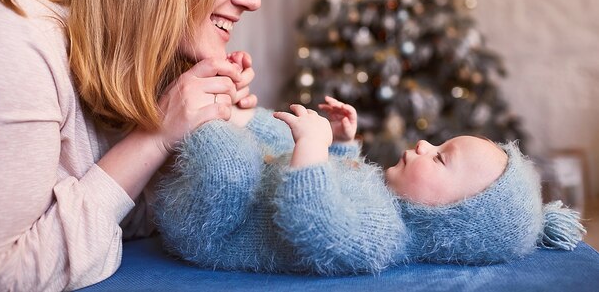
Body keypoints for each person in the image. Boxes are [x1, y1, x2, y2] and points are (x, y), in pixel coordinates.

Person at [0, 0, 265, 290]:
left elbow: (137, 222)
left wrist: (205, 134)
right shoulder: (10, 32)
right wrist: (154, 138)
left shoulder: (148, 55)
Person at [154, 96, 586, 275]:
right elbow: (347, 184)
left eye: (439, 157)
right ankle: (225, 109)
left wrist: (314, 148)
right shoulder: (387, 201)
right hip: (258, 184)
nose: (423, 143)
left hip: (215, 227)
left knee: (232, 164)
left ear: (449, 216)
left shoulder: (383, 236)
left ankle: (191, 113)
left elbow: (317, 225)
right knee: (283, 130)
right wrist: (341, 146)